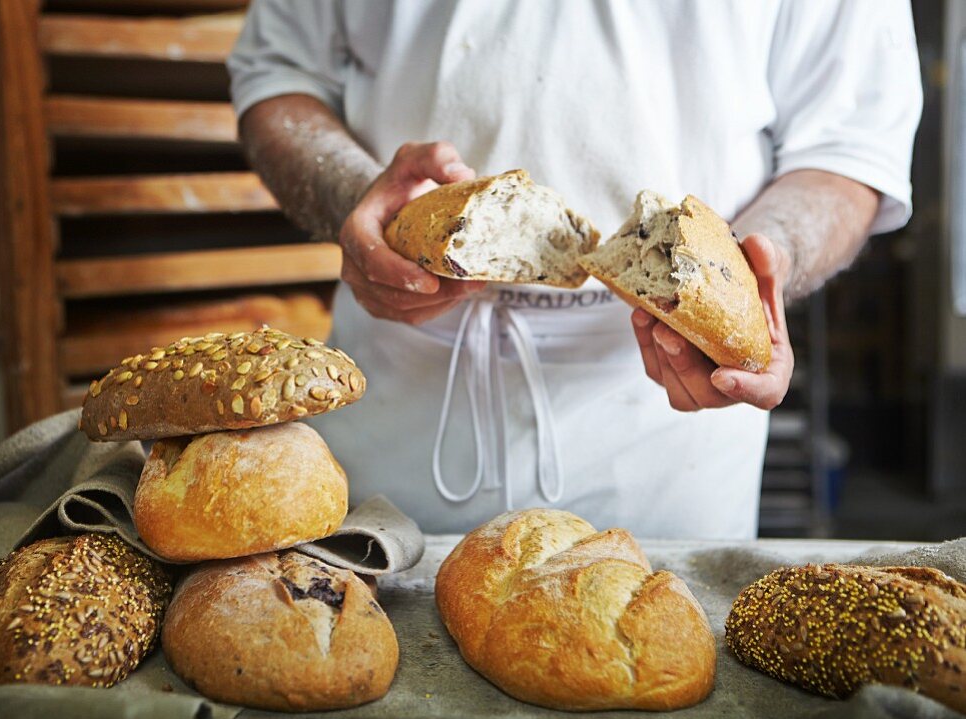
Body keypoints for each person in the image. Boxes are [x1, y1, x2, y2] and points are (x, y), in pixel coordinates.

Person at [227, 1, 921, 538]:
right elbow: (280, 75)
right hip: (401, 396)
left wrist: (762, 264)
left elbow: (850, 146)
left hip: (665, 420)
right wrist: (361, 199)